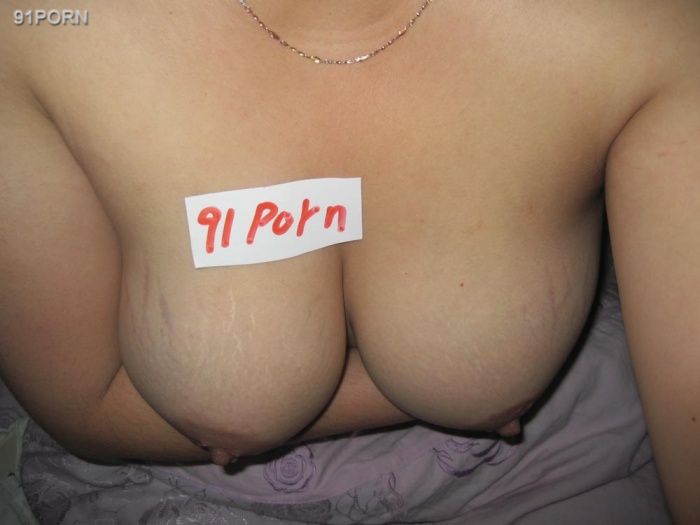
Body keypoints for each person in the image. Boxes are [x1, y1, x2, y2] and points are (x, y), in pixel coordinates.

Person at [0, 0, 698, 522]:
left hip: (557, 463)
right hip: (180, 491)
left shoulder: (646, 22)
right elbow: (85, 403)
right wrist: (468, 373)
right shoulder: (38, 25)